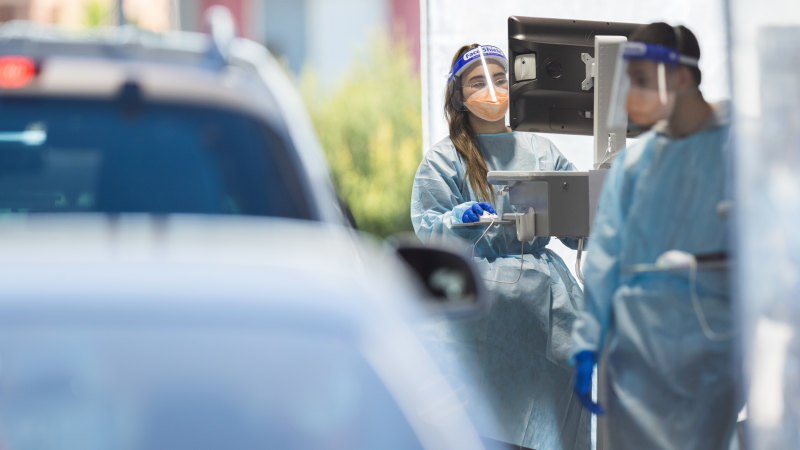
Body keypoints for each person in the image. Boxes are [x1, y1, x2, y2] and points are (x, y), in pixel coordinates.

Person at [411, 44, 589, 450]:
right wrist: (457, 222)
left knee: (552, 422)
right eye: (478, 81)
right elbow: (430, 234)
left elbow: (575, 221)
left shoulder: (540, 151)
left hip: (545, 308)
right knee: (482, 424)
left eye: (500, 78)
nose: (492, 90)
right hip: (479, 312)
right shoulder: (445, 160)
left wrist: (599, 212)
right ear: (459, 96)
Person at [570, 22, 738, 449]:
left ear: (682, 77)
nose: (631, 95)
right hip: (636, 364)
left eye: (643, 82)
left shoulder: (740, 151)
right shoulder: (636, 164)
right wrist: (589, 343)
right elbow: (604, 258)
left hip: (714, 354)